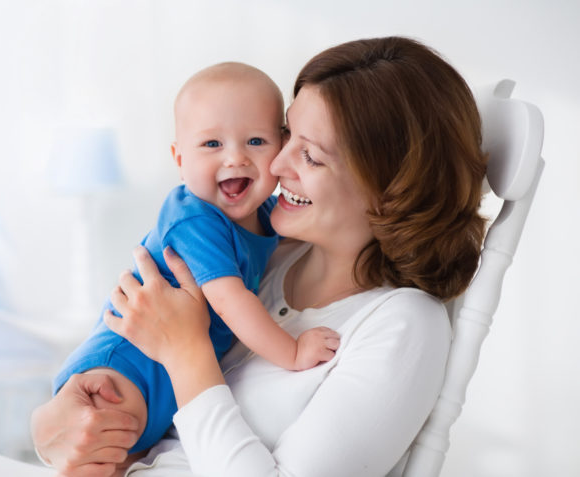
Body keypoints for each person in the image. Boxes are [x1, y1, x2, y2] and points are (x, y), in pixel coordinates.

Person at [31, 36, 488, 477]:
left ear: (389, 190)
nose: (274, 164)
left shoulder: (402, 325)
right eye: (285, 135)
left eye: (308, 155)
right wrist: (52, 430)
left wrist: (186, 351)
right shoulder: (260, 255)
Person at [50, 62, 341, 456]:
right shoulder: (194, 218)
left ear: (281, 144)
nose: (235, 158)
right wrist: (291, 352)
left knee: (123, 457)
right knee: (101, 448)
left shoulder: (267, 215)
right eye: (211, 145)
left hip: (170, 377)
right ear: (179, 158)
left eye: (256, 141)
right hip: (125, 365)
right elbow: (231, 302)